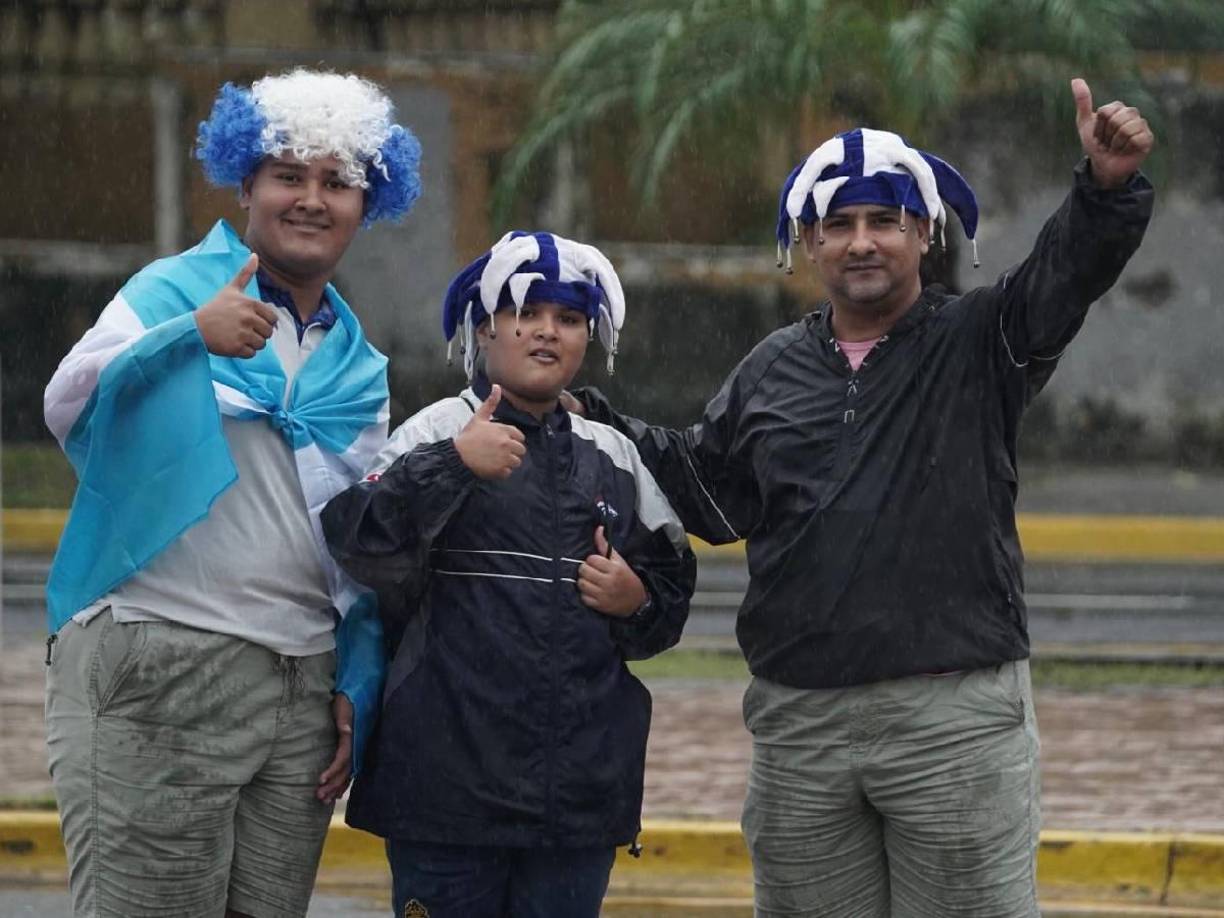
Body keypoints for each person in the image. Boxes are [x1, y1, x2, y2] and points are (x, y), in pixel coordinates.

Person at [570, 79, 1154, 915]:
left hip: (953, 725)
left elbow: (1068, 273)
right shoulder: (771, 368)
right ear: (809, 243)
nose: (862, 242)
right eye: (838, 224)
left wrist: (1103, 189)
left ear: (924, 232)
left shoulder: (983, 339)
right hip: (801, 731)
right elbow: (708, 490)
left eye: (884, 220)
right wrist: (591, 419)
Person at [42, 69, 421, 918]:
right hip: (162, 659)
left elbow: (351, 546)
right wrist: (189, 338)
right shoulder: (173, 291)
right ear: (246, 182)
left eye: (338, 181)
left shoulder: (358, 366)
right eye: (289, 175)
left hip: (300, 692)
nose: (312, 199)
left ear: (368, 203)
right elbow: (69, 405)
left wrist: (357, 681)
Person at [321, 231, 697, 918]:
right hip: (444, 801)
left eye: (569, 318)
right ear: (483, 327)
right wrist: (453, 465)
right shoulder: (434, 433)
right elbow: (357, 538)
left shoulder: (613, 455)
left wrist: (636, 600)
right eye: (525, 312)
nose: (548, 331)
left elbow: (669, 600)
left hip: (575, 809)